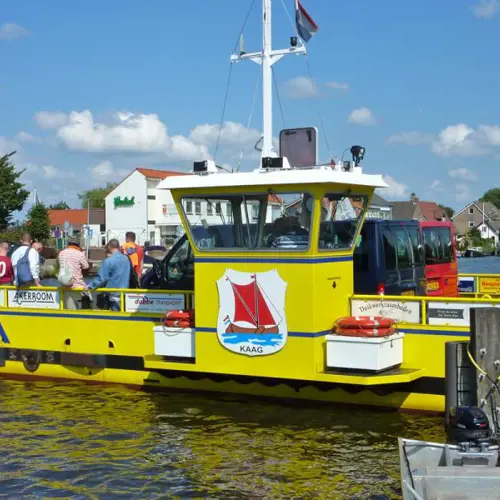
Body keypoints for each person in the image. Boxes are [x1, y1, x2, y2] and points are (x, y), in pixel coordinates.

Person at [87, 239, 130, 311]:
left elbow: (102, 279)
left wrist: (90, 286)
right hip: (124, 293)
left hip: (112, 294)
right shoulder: (126, 259)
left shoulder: (108, 261)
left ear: (109, 247)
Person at [57, 237, 90, 310]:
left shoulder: (61, 253)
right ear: (77, 244)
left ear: (68, 244)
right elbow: (86, 267)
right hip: (78, 285)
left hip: (65, 285)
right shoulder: (79, 254)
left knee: (69, 309)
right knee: (84, 308)